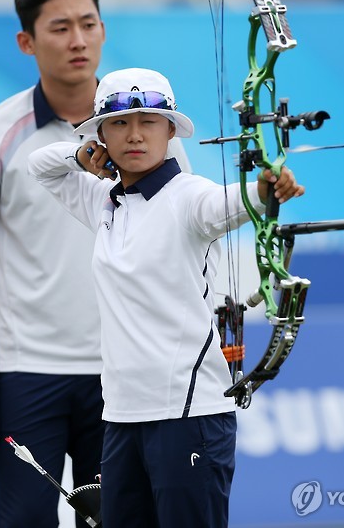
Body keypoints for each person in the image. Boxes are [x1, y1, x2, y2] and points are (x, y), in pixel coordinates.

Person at [27, 67, 305, 528]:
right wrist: (80, 156)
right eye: (119, 123)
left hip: (189, 417)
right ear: (101, 135)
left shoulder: (189, 197)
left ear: (171, 130)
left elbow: (230, 203)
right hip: (120, 416)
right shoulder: (103, 201)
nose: (135, 135)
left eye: (149, 122)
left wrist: (264, 190)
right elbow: (40, 166)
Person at [0, 0, 191, 528]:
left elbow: (187, 247)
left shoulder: (153, 132)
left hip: (127, 371)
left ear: (102, 30)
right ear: (26, 42)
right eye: (60, 27)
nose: (78, 40)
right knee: (23, 521)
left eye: (88, 24)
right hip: (27, 369)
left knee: (123, 519)